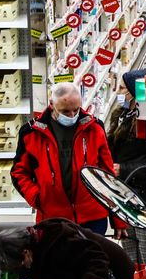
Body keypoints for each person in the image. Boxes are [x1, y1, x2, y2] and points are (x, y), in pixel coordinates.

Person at [10, 82, 119, 235]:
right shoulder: (31, 133)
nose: (72, 116)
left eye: (76, 110)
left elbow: (108, 175)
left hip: (93, 216)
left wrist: (117, 220)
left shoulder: (94, 128)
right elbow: (19, 173)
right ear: (51, 104)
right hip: (52, 219)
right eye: (65, 111)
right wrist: (37, 198)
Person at [106, 68, 146, 262]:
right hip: (123, 195)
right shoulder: (120, 114)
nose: (118, 92)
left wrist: (122, 169)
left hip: (145, 197)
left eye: (122, 88)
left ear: (134, 92)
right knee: (129, 255)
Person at [0, 217, 135, 279]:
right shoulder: (35, 245)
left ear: (25, 252)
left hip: (117, 274)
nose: (23, 267)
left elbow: (98, 261)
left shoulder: (61, 240)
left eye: (21, 263)